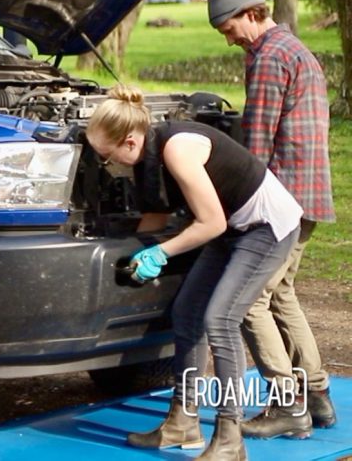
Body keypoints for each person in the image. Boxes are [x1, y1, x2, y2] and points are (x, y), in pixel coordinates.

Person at [86, 85, 302, 461]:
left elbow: (212, 222)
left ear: (131, 142)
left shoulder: (178, 149)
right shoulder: (147, 157)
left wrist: (161, 252)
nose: (108, 164)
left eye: (107, 156)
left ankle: (230, 439)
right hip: (233, 225)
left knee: (220, 319)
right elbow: (156, 214)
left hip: (265, 226)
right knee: (187, 313)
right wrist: (132, 260)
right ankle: (182, 423)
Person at [208, 0, 337, 436]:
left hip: (280, 200)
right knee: (281, 294)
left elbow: (256, 145)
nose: (229, 38)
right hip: (310, 194)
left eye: (229, 26)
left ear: (252, 13)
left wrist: (233, 205)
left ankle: (287, 405)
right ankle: (318, 396)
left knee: (249, 304)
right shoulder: (294, 48)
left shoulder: (269, 58)